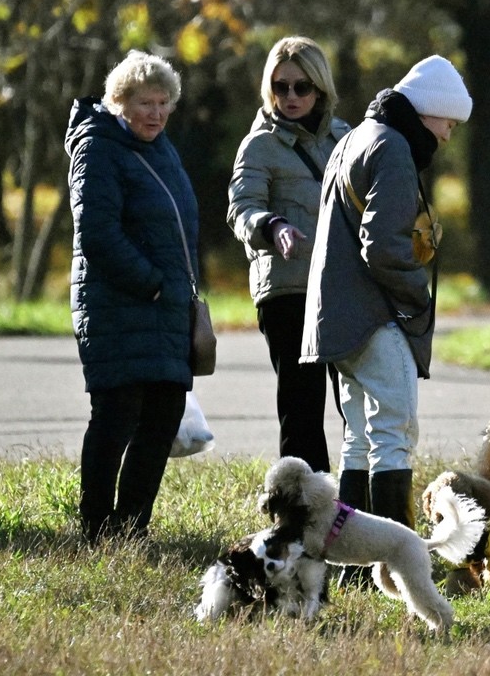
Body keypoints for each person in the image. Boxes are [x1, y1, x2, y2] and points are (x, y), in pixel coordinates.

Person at [300, 54, 473, 536]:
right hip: (372, 315)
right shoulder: (393, 147)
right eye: (448, 121)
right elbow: (383, 247)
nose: (448, 134)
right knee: (394, 435)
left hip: (333, 317)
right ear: (427, 110)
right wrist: (418, 295)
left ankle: (355, 562)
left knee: (358, 439)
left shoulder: (357, 137)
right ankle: (396, 563)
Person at [64, 50, 200, 543]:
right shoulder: (97, 148)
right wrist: (154, 281)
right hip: (118, 307)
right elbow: (97, 235)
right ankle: (96, 528)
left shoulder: (162, 147)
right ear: (119, 101)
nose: (157, 113)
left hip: (165, 311)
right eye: (146, 102)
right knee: (116, 418)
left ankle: (131, 529)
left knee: (162, 419)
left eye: (164, 103)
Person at [227, 36, 350, 474]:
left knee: (356, 408)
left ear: (320, 88)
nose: (291, 97)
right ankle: (300, 519)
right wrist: (272, 226)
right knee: (301, 414)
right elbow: (240, 207)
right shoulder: (259, 145)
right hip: (288, 290)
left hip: (341, 290)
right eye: (280, 87)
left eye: (301, 87)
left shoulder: (346, 138)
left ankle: (357, 514)